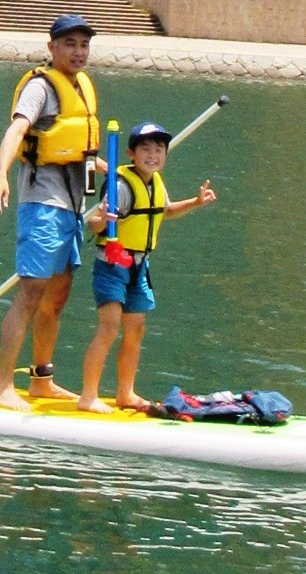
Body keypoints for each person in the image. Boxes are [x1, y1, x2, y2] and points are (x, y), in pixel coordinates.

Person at [0, 13, 100, 410]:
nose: (78, 52)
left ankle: (41, 380)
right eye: (70, 44)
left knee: (57, 297)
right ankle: (3, 387)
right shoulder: (40, 87)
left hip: (72, 208)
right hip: (41, 205)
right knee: (30, 294)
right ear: (52, 47)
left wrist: (110, 169)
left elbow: (77, 145)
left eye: (84, 44)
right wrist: (0, 174)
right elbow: (17, 130)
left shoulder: (82, 86)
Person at [78, 121, 217, 414]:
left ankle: (125, 392)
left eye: (159, 149)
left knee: (136, 329)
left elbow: (163, 212)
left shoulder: (156, 182)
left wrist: (195, 202)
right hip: (112, 264)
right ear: (130, 153)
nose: (153, 155)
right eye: (146, 149)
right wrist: (103, 218)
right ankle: (88, 396)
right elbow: (94, 223)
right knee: (109, 327)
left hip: (140, 266)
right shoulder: (120, 186)